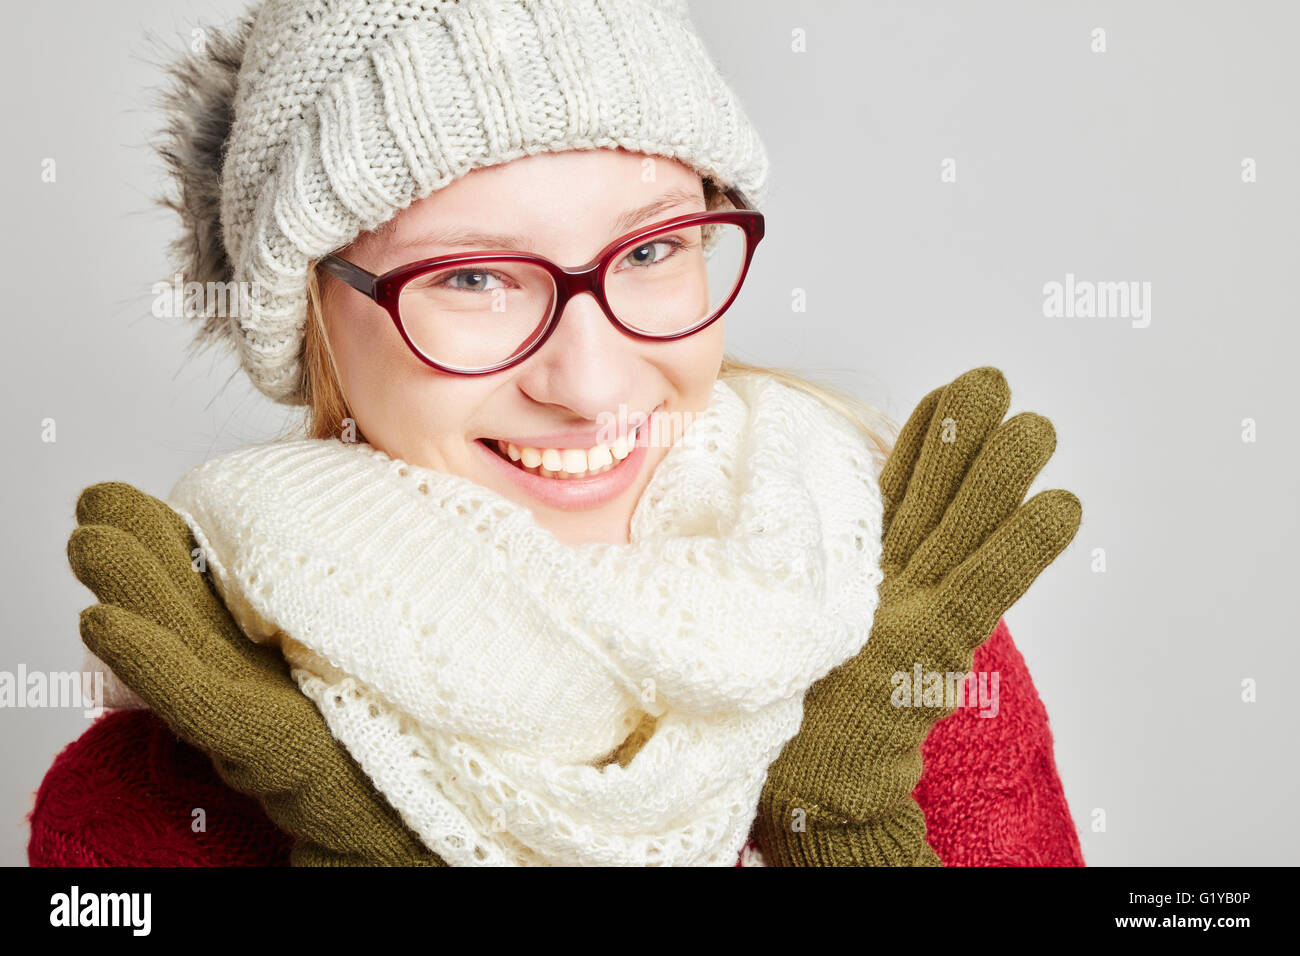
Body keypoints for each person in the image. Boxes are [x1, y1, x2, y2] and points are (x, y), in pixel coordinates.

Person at [28, 0, 1084, 866]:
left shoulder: (898, 641)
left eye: (651, 252)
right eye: (472, 277)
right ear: (315, 326)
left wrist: (846, 829)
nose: (588, 382)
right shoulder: (161, 791)